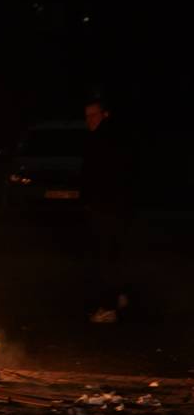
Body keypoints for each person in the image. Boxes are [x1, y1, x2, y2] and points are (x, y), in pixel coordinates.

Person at [81, 96, 135, 323]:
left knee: (107, 257)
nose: (89, 120)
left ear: (105, 115)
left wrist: (95, 199)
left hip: (108, 207)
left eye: (94, 115)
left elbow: (106, 176)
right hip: (111, 206)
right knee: (113, 253)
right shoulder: (106, 138)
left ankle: (108, 307)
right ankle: (119, 296)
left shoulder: (106, 141)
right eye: (87, 116)